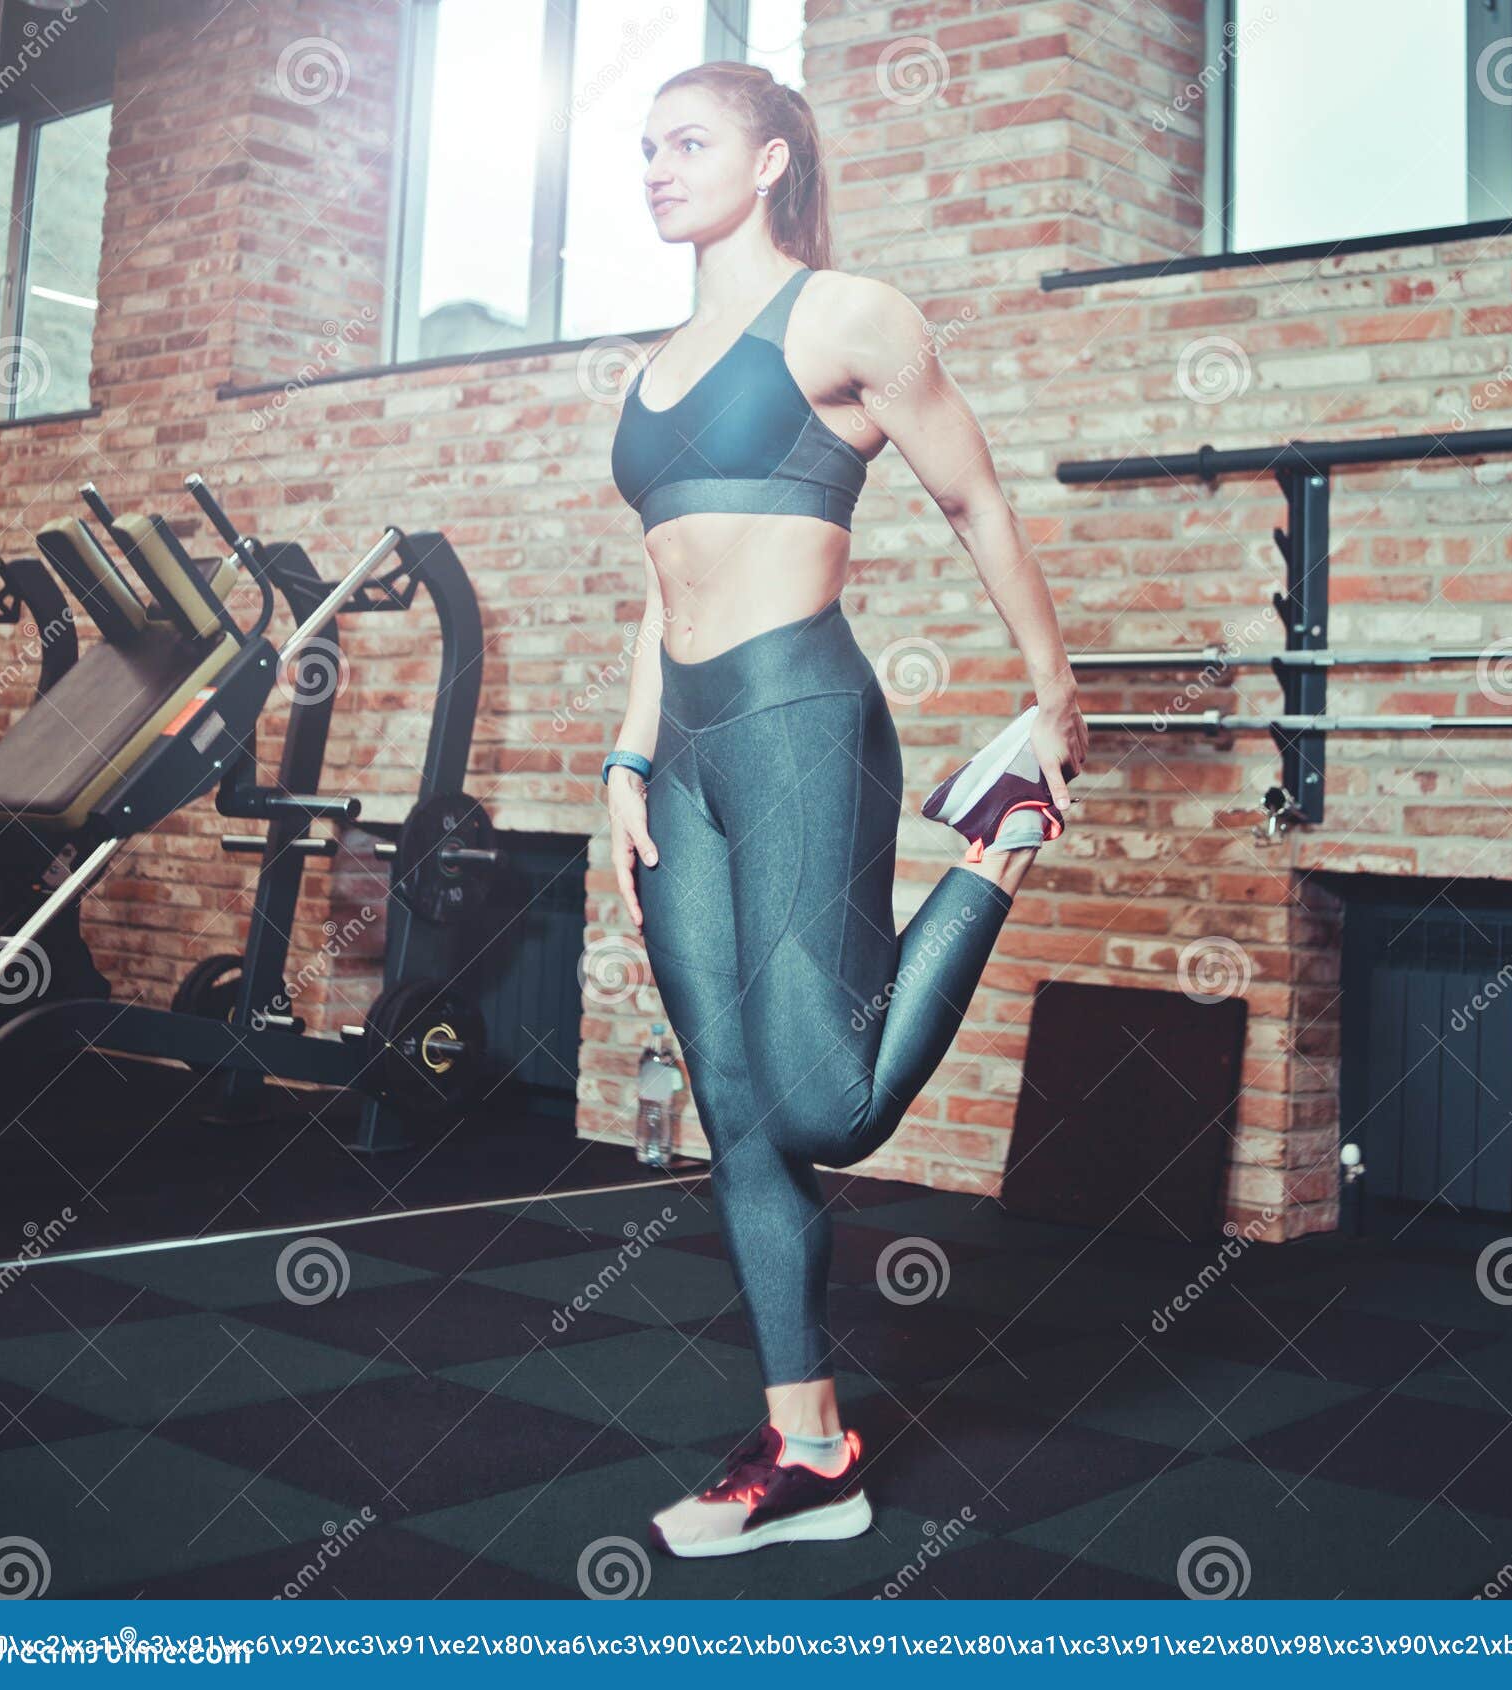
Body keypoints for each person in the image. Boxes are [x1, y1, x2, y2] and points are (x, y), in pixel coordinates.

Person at [602, 60, 1088, 1560]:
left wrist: (1051, 696)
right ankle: (811, 1448)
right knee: (738, 1117)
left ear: (767, 162)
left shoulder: (844, 315)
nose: (655, 167)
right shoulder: (658, 358)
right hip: (683, 749)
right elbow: (661, 575)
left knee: (825, 1100)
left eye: (685, 142)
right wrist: (623, 760)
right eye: (643, 147)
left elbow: (979, 502)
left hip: (802, 723)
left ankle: (1000, 838)